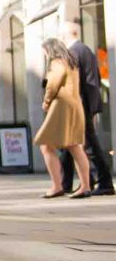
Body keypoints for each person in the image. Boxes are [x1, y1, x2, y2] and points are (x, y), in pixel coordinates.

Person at [60, 23, 114, 196]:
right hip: (87, 102)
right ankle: (81, 182)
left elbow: (74, 82)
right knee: (76, 144)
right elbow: (96, 76)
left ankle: (103, 181)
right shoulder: (86, 50)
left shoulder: (74, 52)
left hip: (80, 104)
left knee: (88, 145)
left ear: (65, 36)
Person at [35, 38, 91, 199]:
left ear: (50, 50)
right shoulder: (71, 63)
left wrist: (46, 101)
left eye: (45, 51)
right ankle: (85, 186)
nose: (45, 55)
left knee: (45, 145)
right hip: (74, 106)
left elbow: (52, 84)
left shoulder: (57, 63)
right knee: (74, 146)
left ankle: (56, 186)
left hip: (61, 108)